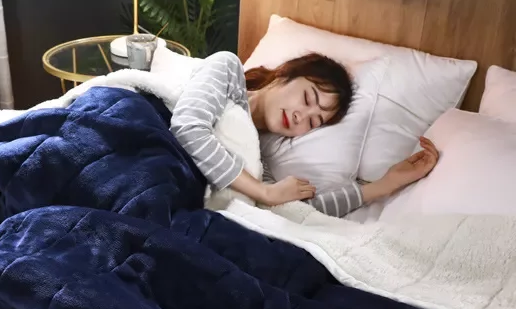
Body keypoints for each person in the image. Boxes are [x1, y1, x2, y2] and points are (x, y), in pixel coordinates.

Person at [170, 51, 439, 217]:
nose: (302, 116)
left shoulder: (256, 157)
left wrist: (383, 185)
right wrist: (264, 192)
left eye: (314, 121)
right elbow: (188, 127)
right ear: (284, 74)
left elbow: (299, 210)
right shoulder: (227, 70)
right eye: (308, 98)